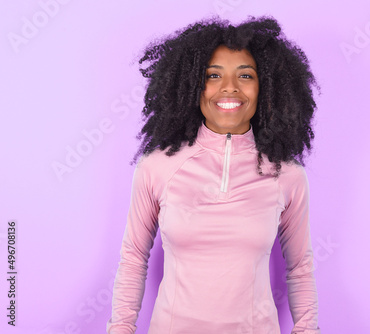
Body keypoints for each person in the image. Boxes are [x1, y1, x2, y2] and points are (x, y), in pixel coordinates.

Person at [106, 15, 321, 334]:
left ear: (267, 87)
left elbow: (300, 267)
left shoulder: (286, 175)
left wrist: (308, 330)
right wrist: (120, 328)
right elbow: (134, 257)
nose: (229, 88)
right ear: (192, 85)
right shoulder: (158, 166)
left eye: (245, 75)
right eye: (213, 75)